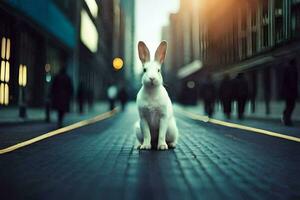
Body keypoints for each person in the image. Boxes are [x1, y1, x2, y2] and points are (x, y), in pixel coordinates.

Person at [282, 59, 298, 126]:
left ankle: (286, 118)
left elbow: (284, 81)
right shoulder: (292, 70)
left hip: (288, 91)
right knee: (291, 106)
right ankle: (287, 120)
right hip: (291, 91)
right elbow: (293, 81)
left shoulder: (287, 69)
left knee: (289, 105)